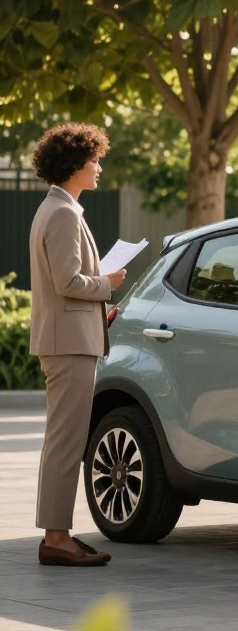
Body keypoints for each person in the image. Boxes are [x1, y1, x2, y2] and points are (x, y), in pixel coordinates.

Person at [29, 123, 127, 567]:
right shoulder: (64, 213)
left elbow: (62, 289)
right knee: (66, 443)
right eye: (94, 159)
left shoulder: (57, 209)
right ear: (73, 165)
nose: (99, 167)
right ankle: (57, 538)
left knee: (62, 441)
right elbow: (68, 282)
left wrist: (97, 310)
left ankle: (58, 535)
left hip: (68, 337)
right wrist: (107, 284)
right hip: (68, 346)